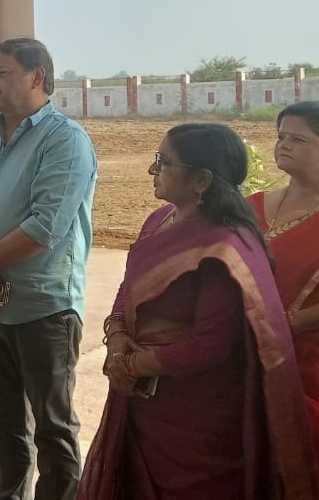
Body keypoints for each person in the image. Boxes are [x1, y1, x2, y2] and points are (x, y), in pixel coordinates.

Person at [79, 123, 319, 499]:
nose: (151, 169)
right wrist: (118, 340)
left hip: (197, 423)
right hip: (144, 408)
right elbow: (129, 288)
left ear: (202, 179)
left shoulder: (223, 245)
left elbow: (211, 345)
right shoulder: (158, 221)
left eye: (164, 161)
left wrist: (130, 366)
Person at [0, 37, 98, 500]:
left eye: (1, 72)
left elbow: (44, 226)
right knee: (3, 423)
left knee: (53, 427)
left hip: (43, 309)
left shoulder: (65, 141)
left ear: (37, 77)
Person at [250, 101, 319, 456]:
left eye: (298, 139)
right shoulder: (252, 206)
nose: (283, 145)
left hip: (304, 367)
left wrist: (286, 325)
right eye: (281, 137)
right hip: (237, 358)